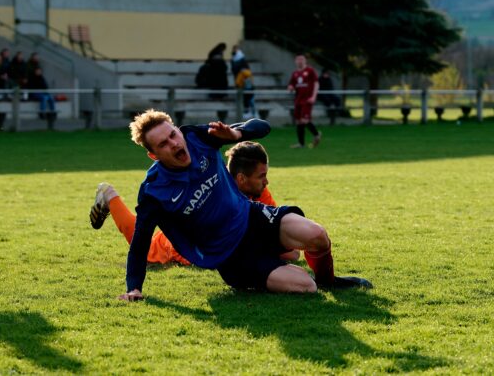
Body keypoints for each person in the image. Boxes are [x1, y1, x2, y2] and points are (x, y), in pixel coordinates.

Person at [116, 110, 370, 301]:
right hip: (230, 255)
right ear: (154, 155)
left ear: (179, 131)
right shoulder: (154, 192)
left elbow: (262, 126)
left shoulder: (197, 137)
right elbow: (139, 245)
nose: (173, 143)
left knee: (317, 235)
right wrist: (134, 288)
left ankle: (330, 281)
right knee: (305, 286)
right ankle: (266, 273)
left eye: (173, 134)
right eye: (163, 144)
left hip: (252, 217)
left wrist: (236, 134)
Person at [89, 141, 297, 265]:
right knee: (145, 249)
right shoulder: (215, 190)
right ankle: (110, 195)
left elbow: (289, 246)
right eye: (262, 176)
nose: (266, 181)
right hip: (181, 244)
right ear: (242, 179)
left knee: (290, 252)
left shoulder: (259, 190)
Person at [287, 54, 321, 148]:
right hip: (298, 100)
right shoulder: (295, 73)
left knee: (304, 120)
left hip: (307, 99)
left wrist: (314, 96)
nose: (300, 61)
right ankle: (301, 144)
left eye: (302, 59)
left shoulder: (310, 71)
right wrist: (290, 87)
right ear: (295, 61)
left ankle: (317, 134)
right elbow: (291, 85)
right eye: (298, 59)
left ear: (305, 60)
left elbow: (316, 83)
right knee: (298, 121)